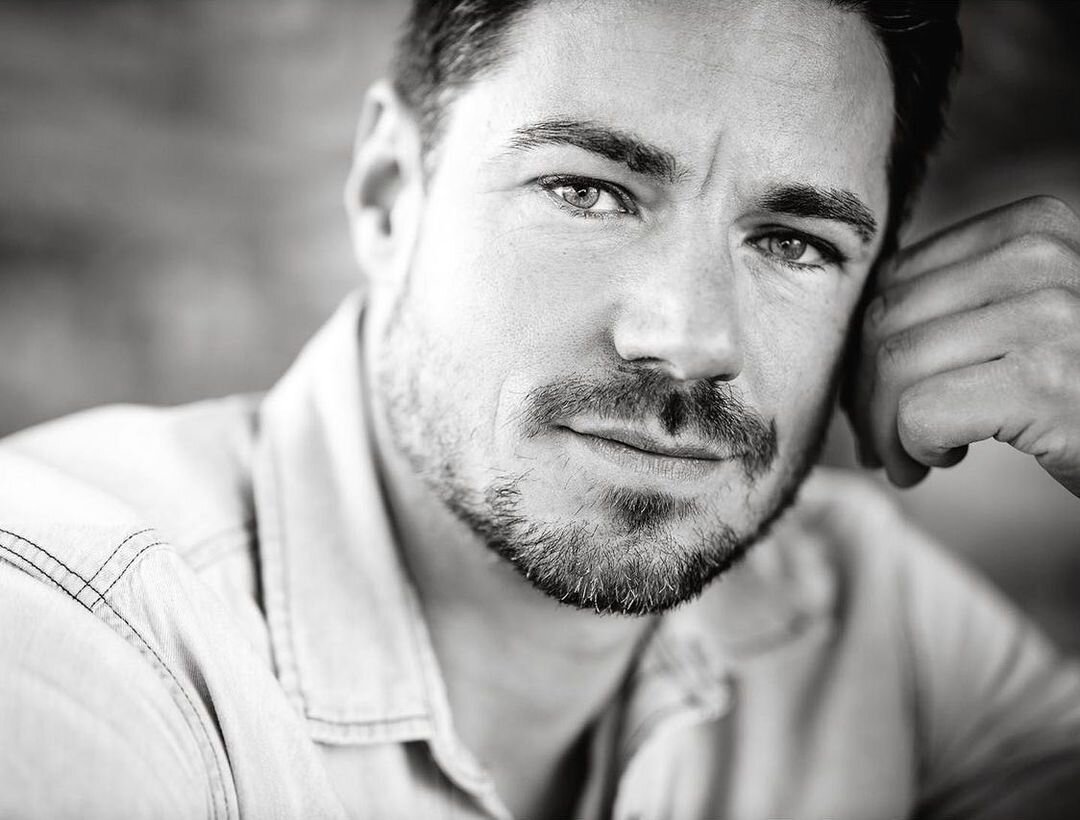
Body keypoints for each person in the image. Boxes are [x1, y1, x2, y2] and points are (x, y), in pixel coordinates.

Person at [2, 1, 1080, 817]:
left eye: (794, 243)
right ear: (389, 194)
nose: (689, 337)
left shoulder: (867, 616)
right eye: (586, 191)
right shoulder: (68, 627)